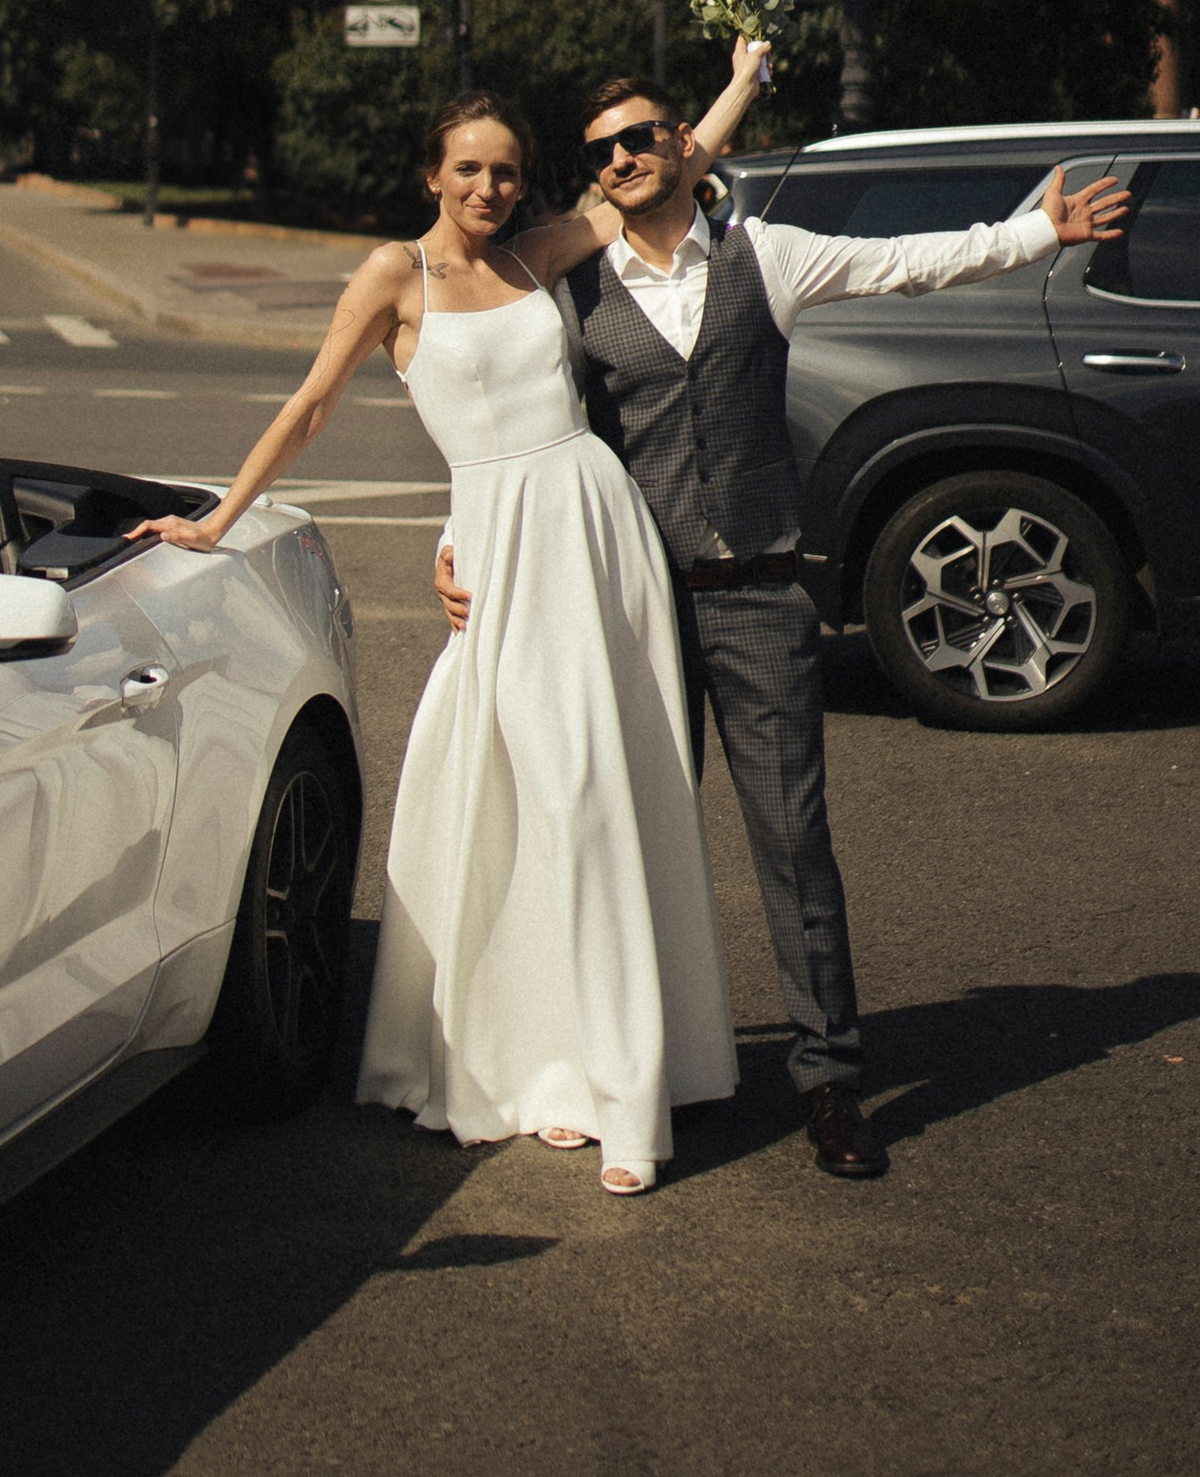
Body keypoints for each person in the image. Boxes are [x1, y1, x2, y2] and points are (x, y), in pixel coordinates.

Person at [436, 73, 1129, 1178]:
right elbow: (505, 421)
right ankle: (625, 1064)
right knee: (616, 840)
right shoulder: (574, 285)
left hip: (758, 594)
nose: (619, 159)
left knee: (794, 846)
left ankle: (830, 1083)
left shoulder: (772, 256)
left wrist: (1036, 229)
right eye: (600, 150)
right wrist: (454, 539)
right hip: (628, 604)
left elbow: (912, 260)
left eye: (638, 138)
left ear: (682, 147)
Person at [144, 47, 769, 1197]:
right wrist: (217, 513)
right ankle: (546, 1060)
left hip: (594, 532)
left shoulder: (537, 257)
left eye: (507, 172)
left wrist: (745, 76)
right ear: (431, 174)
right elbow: (313, 400)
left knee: (607, 794)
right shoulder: (393, 276)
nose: (489, 189)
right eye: (469, 170)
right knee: (535, 799)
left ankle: (603, 1071)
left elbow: (677, 164)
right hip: (500, 545)